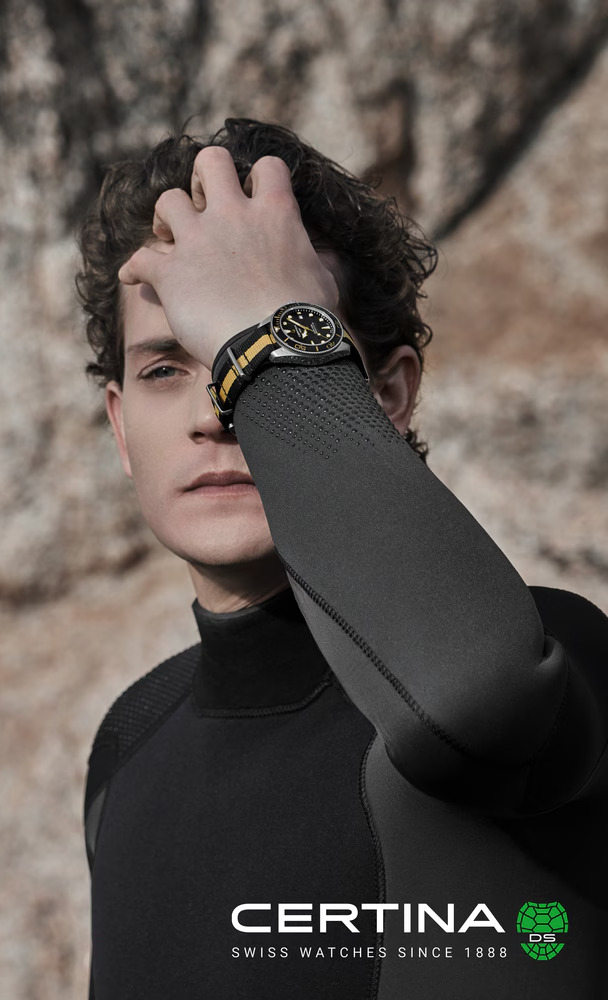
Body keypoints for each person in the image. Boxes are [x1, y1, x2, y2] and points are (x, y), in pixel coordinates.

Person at [76, 118, 608, 999]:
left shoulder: (556, 655)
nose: (215, 410)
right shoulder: (130, 740)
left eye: (248, 349)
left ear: (386, 395)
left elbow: (472, 700)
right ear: (120, 424)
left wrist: (271, 339)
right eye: (167, 369)